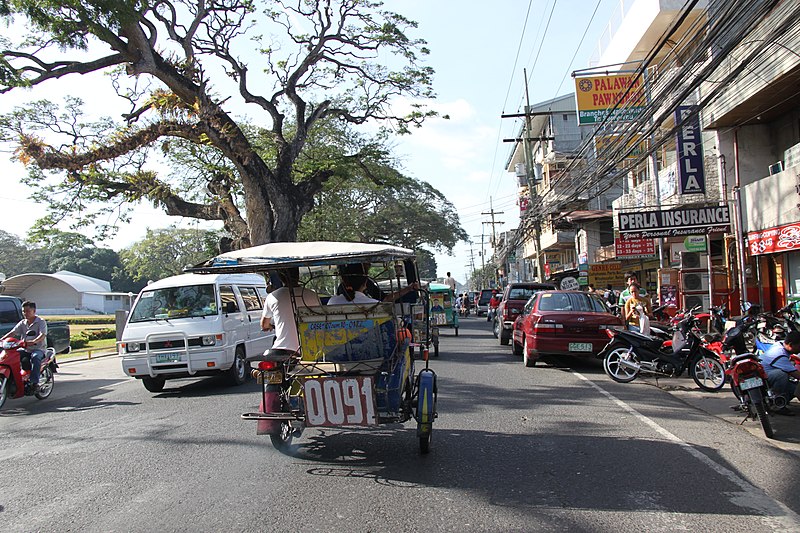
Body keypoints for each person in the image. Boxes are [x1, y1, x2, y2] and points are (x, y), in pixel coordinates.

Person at [260, 268, 321, 358]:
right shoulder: (313, 295)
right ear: (298, 276)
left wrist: (270, 326)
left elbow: (264, 325)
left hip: (282, 351)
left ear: (280, 277)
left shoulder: (272, 297)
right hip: (311, 349)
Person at [1, 301, 47, 391]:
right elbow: (13, 333)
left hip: (38, 349)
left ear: (34, 311)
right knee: (10, 356)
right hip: (24, 348)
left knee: (35, 357)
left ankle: (34, 382)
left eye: (28, 311)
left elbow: (42, 335)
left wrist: (34, 341)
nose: (25, 313)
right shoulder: (22, 323)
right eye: (23, 311)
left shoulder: (41, 322)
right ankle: (15, 379)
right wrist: (2, 339)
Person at [759, 330, 800, 415]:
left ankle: (779, 400)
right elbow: (796, 374)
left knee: (794, 388)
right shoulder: (780, 355)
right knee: (781, 375)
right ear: (791, 345)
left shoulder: (780, 344)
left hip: (766, 375)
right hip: (763, 379)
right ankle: (776, 405)